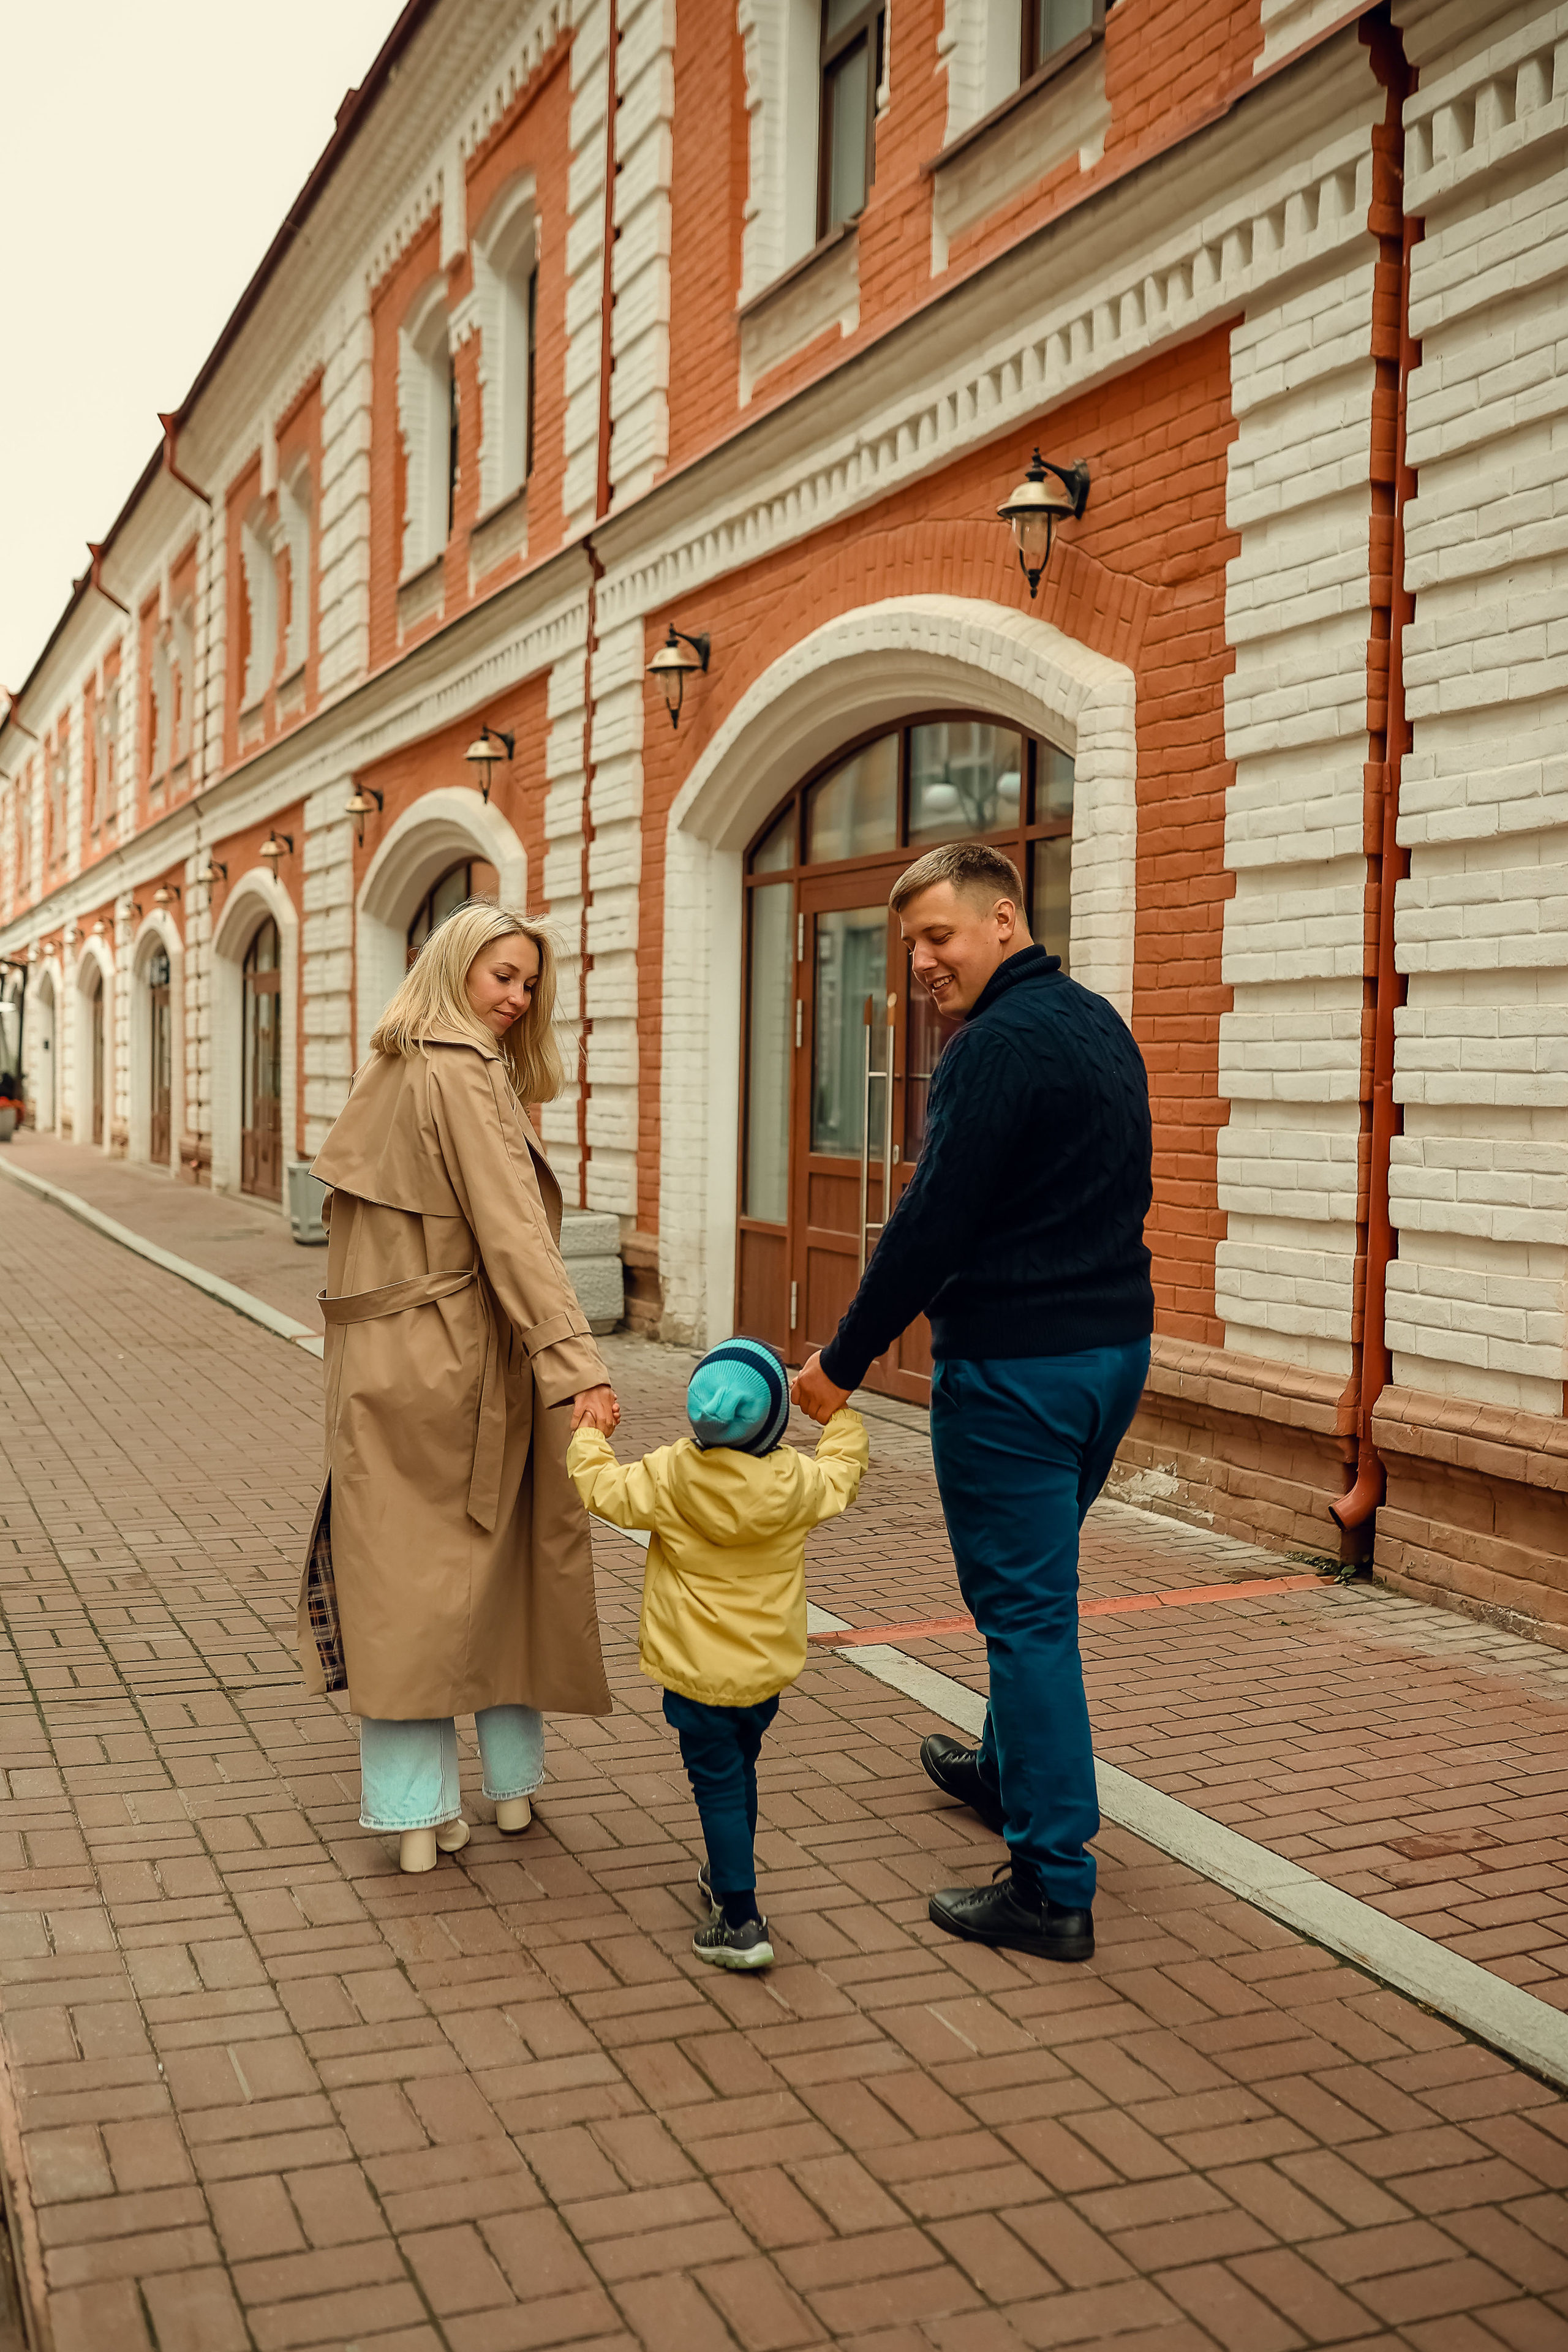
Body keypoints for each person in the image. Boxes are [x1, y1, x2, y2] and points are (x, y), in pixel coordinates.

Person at [791, 840, 1153, 1964]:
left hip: (1017, 1375)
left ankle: (1052, 1885)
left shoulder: (991, 1048)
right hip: (1109, 1359)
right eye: (910, 947)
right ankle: (1006, 1774)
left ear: (1005, 920)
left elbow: (932, 1226)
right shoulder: (1098, 1022)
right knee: (1037, 1594)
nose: (921, 966)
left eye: (938, 938)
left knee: (1027, 1619)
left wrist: (839, 1365)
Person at [296, 900, 620, 1875]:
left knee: (400, 1576)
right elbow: (513, 1234)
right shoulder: (463, 1069)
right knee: (504, 1557)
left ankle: (418, 1812)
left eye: (529, 981)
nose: (518, 997)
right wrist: (578, 1364)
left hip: (376, 1362)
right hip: (464, 1357)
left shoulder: (388, 1063)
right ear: (455, 970)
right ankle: (507, 1790)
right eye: (502, 976)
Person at [569, 1336, 868, 1969]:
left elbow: (601, 1490)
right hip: (762, 1672)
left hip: (695, 1672)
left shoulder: (672, 1475)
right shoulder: (793, 1482)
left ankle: (740, 1920)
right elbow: (843, 1474)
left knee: (717, 1785)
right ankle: (723, 1871)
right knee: (741, 1769)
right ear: (774, 1424)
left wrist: (590, 1436)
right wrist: (839, 1416)